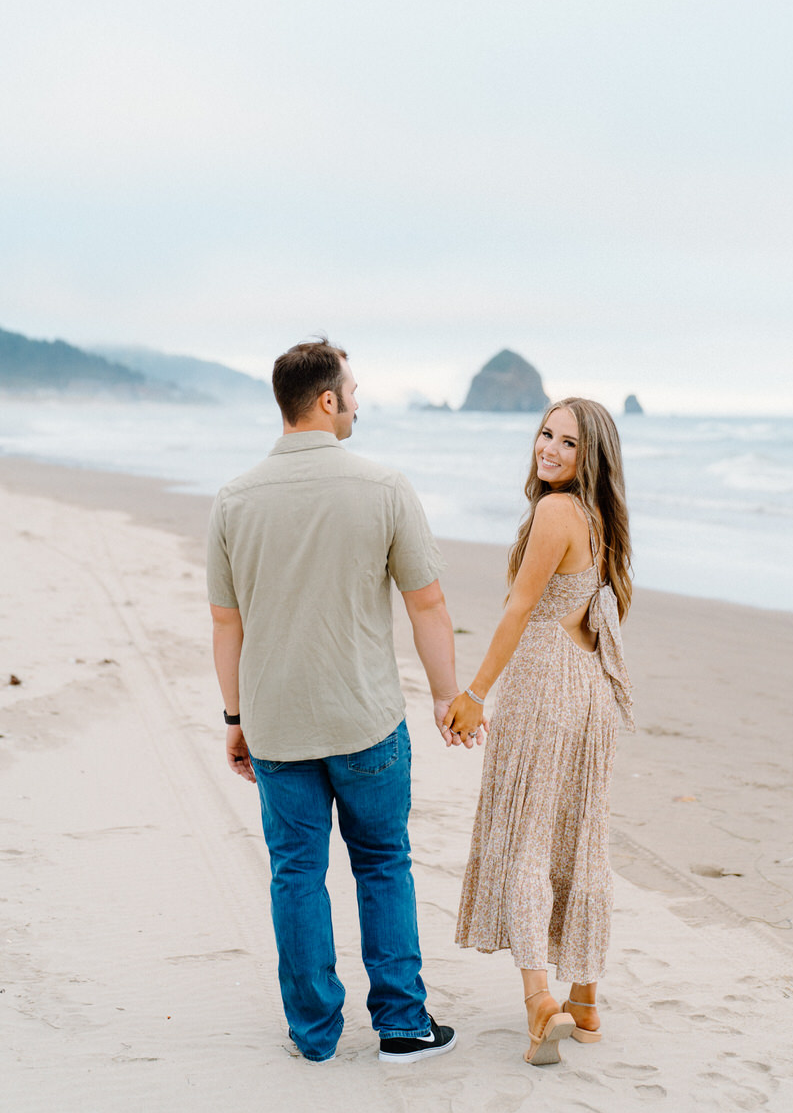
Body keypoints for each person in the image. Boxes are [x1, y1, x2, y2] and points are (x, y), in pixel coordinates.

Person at [207, 337, 471, 1064]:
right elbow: (429, 603)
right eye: (351, 389)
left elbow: (226, 623)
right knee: (382, 863)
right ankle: (402, 1025)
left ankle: (314, 1033)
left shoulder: (233, 500)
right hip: (366, 723)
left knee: (297, 873)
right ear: (326, 400)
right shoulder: (384, 488)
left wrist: (234, 718)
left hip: (277, 725)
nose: (358, 400)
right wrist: (447, 697)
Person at [445, 397, 634, 1066]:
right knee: (580, 838)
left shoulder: (555, 513)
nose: (549, 447)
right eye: (546, 432)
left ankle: (538, 1005)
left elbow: (521, 610)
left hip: (546, 684)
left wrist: (473, 694)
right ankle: (584, 1001)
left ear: (591, 458)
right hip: (591, 689)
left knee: (527, 837)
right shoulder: (599, 517)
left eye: (568, 442)